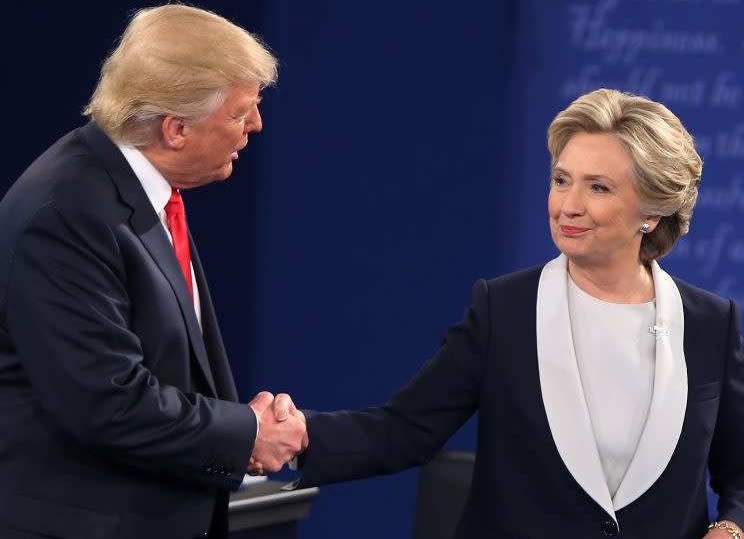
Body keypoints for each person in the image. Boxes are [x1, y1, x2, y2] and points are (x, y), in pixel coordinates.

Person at [276, 89, 744, 538]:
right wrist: (295, 435)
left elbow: (739, 475)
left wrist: (731, 526)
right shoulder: (504, 310)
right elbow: (406, 430)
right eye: (561, 180)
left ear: (653, 212)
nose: (569, 206)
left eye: (598, 187)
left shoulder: (710, 323)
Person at [0, 4, 307, 539]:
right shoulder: (67, 214)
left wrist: (243, 423)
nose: (256, 125)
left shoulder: (132, 191)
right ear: (176, 129)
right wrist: (246, 434)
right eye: (240, 112)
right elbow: (108, 402)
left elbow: (167, 367)